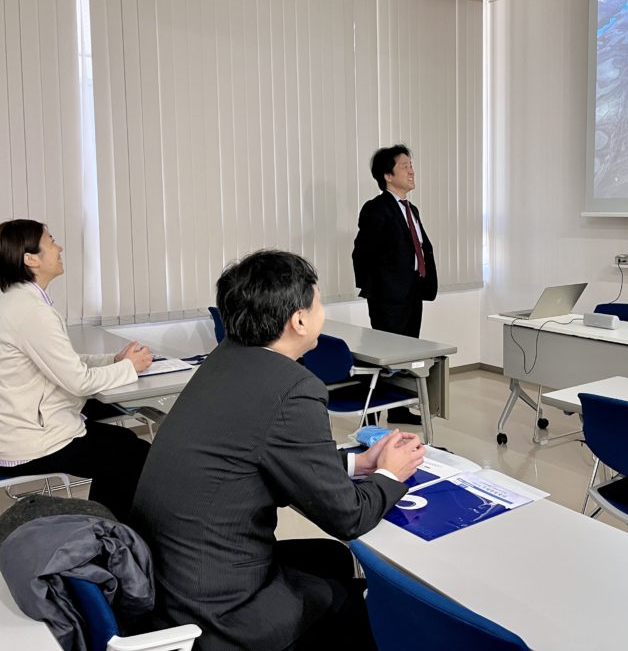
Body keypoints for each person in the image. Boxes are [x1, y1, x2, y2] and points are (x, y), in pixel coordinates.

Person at [130, 250, 425, 651]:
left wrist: (359, 462)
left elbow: (255, 458)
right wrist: (390, 474)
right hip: (218, 611)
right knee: (357, 605)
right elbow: (348, 518)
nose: (322, 312)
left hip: (170, 582)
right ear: (299, 320)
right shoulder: (294, 387)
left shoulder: (224, 360)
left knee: (331, 559)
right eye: (319, 302)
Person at [0, 219, 153, 521]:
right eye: (51, 241)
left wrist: (114, 361)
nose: (59, 248)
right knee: (132, 456)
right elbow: (78, 382)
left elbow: (64, 362)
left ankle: (102, 526)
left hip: (20, 432)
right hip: (29, 443)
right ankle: (104, 532)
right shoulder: (32, 312)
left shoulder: (18, 302)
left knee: (126, 446)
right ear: (31, 259)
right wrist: (129, 367)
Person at [352, 144, 437, 425]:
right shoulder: (377, 208)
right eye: (404, 166)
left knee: (406, 356)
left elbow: (418, 248)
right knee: (383, 358)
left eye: (411, 165)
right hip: (388, 297)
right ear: (388, 175)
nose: (411, 171)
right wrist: (375, 290)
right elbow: (362, 252)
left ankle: (399, 410)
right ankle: (371, 419)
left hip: (413, 292)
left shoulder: (411, 209)